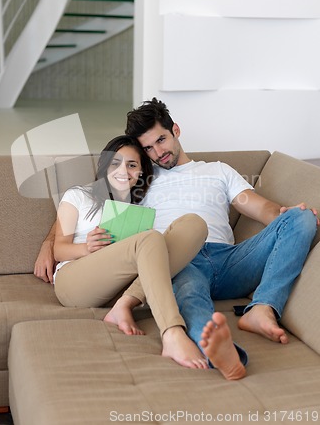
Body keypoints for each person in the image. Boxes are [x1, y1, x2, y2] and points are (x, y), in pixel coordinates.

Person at [124, 98, 318, 380]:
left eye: (161, 140)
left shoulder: (218, 170)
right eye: (148, 148)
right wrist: (48, 243)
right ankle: (225, 354)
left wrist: (288, 217)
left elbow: (262, 208)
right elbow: (85, 202)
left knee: (303, 217)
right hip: (180, 261)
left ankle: (262, 307)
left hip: (230, 261)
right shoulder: (139, 178)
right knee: (189, 295)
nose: (158, 152)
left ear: (176, 130)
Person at [48, 134, 208, 370]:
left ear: (141, 172)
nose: (123, 170)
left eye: (132, 165)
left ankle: (124, 304)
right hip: (74, 282)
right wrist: (86, 247)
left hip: (123, 285)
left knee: (194, 224)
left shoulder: (141, 208)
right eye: (116, 163)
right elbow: (59, 250)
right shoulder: (78, 196)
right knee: (150, 238)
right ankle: (172, 333)